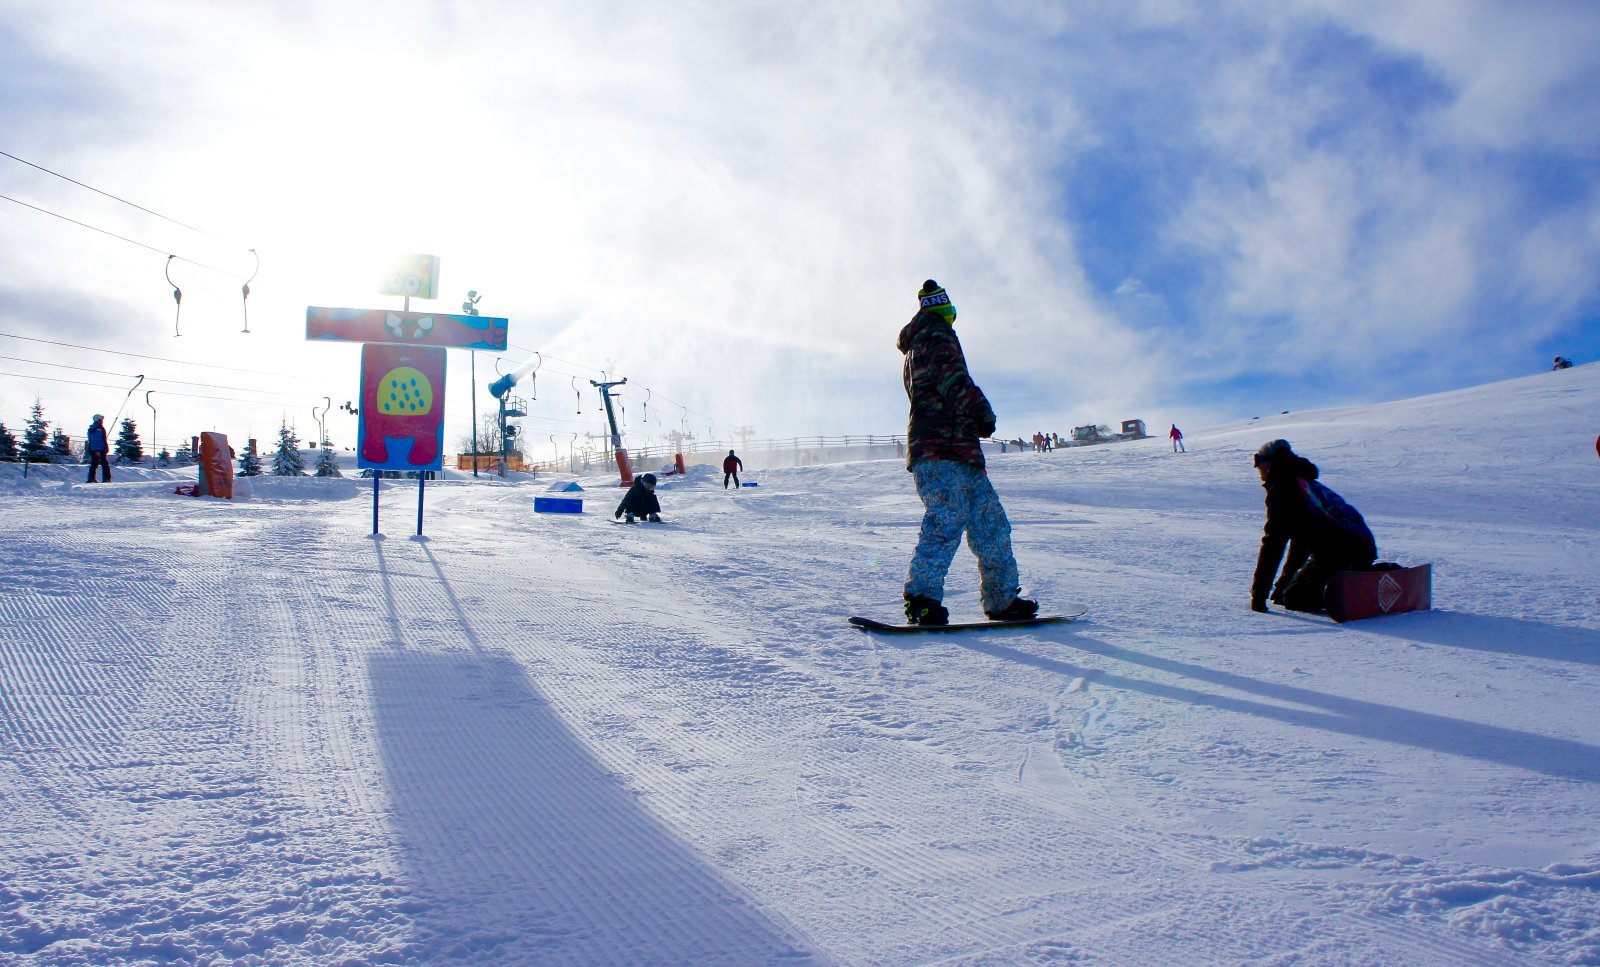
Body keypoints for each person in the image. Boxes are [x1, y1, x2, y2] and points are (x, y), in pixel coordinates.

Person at [897, 279, 1037, 626]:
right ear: (944, 309)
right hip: (940, 449)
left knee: (991, 523)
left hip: (961, 451)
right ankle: (922, 599)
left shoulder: (922, 342)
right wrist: (982, 412)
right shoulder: (935, 336)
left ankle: (1002, 598)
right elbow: (954, 380)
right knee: (945, 519)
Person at [1250, 439, 1377, 614]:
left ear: (1270, 463)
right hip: (1362, 546)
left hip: (1336, 552)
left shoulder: (1283, 489)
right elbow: (1300, 540)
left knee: (1295, 599)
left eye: (1258, 461)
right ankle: (1366, 574)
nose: (1257, 468)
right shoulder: (1304, 483)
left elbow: (1274, 543)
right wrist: (1283, 586)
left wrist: (1258, 595)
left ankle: (1355, 590)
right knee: (1290, 592)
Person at [85, 413, 111, 483]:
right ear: (98, 420)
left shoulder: (93, 428)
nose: (102, 421)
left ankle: (91, 478)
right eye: (101, 419)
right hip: (99, 449)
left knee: (94, 464)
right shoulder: (98, 428)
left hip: (94, 449)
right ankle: (106, 478)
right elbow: (98, 440)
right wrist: (99, 450)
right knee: (104, 464)